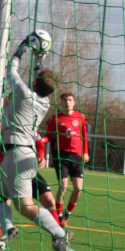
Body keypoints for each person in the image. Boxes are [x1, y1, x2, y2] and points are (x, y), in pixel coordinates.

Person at [0, 32, 73, 251]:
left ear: (35, 83)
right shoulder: (45, 102)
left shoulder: (23, 94)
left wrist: (22, 48)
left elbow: (11, 69)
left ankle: (61, 234)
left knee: (25, 207)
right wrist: (39, 57)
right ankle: (8, 229)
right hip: (25, 155)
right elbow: (39, 79)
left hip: (16, 154)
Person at [44, 91, 90, 226]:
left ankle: (67, 213)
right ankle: (58, 216)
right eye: (65, 100)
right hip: (61, 155)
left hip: (76, 155)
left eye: (70, 100)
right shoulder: (55, 118)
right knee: (63, 186)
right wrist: (41, 141)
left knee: (78, 188)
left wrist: (85, 153)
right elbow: (48, 136)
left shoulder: (80, 117)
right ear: (61, 102)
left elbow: (84, 136)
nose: (67, 102)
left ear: (74, 103)